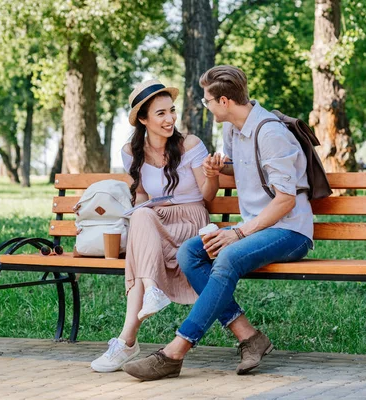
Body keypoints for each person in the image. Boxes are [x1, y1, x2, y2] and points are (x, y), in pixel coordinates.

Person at [122, 65, 314, 381]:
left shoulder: (271, 134)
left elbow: (286, 200)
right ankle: (249, 337)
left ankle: (174, 352)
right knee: (189, 254)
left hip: (289, 230)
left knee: (225, 256)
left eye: (208, 100)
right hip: (257, 228)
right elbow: (245, 169)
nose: (205, 106)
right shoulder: (232, 130)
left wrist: (237, 232)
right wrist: (216, 169)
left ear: (224, 101)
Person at [90, 79, 224, 373]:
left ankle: (127, 342)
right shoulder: (130, 151)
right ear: (143, 119)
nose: (170, 119)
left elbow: (207, 197)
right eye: (160, 113)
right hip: (154, 221)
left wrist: (212, 175)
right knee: (140, 215)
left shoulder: (190, 144)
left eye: (171, 111)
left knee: (140, 244)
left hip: (189, 219)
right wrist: (139, 218)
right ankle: (150, 294)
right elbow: (141, 197)